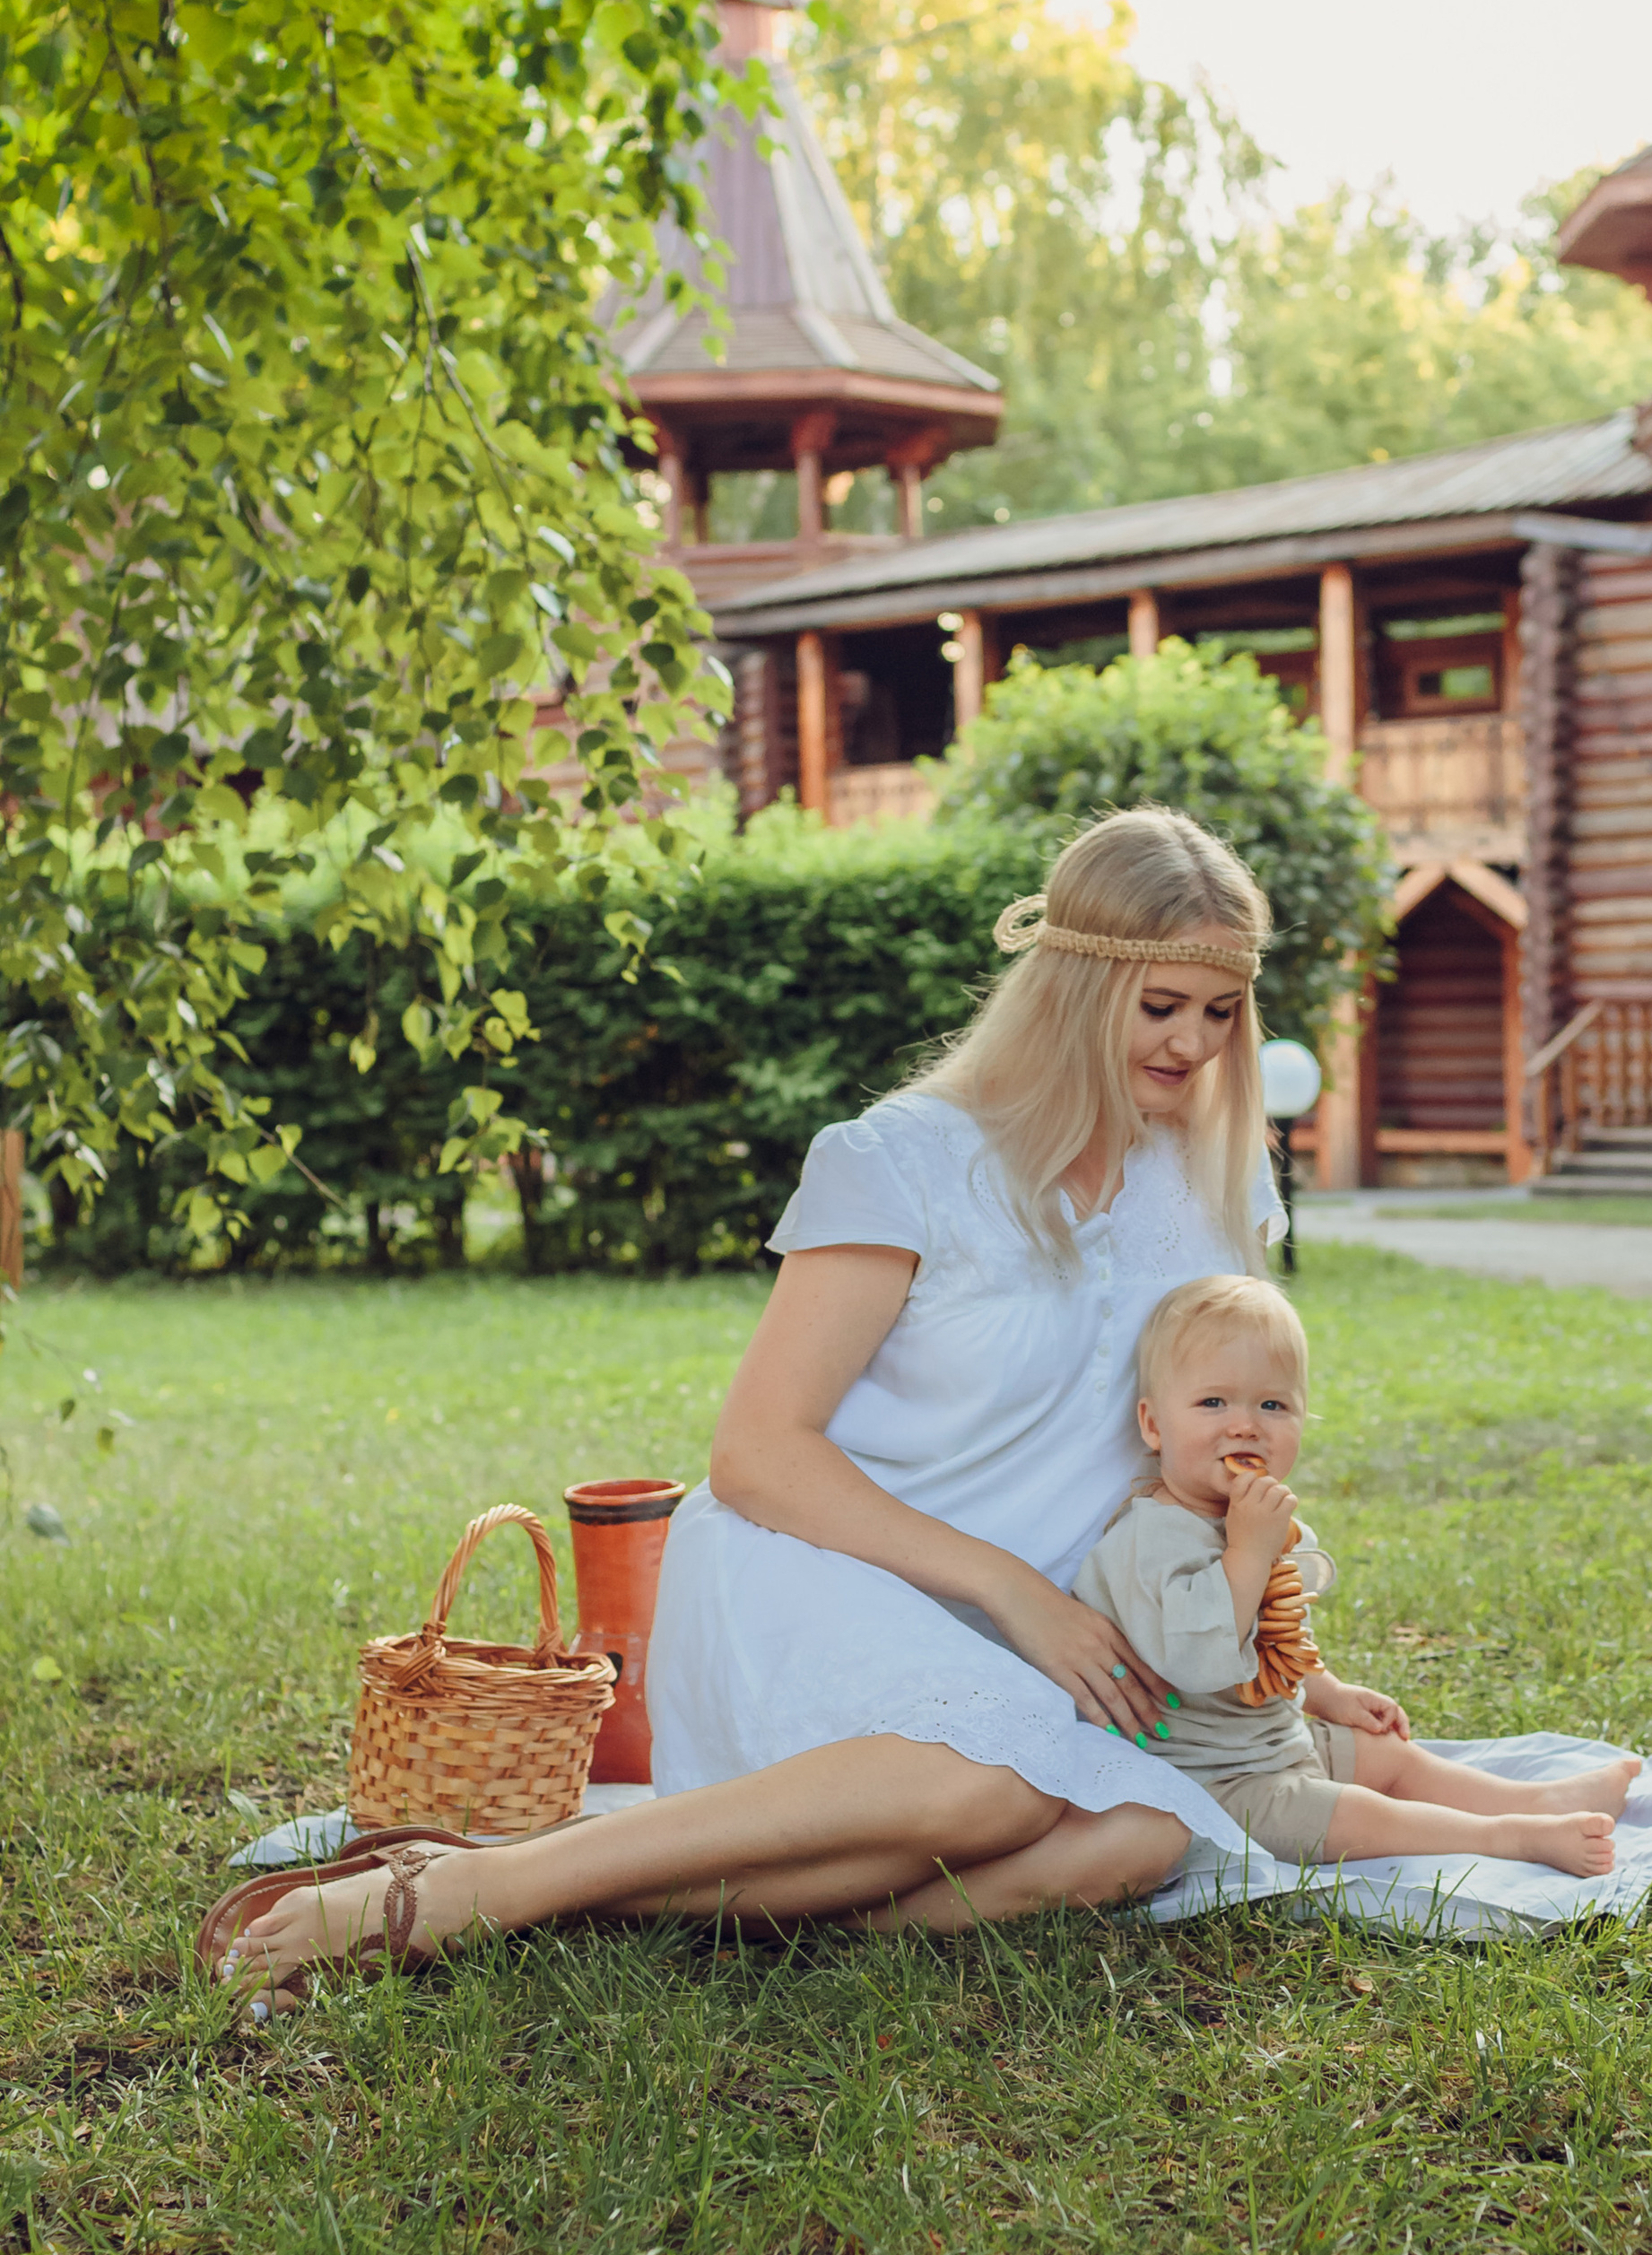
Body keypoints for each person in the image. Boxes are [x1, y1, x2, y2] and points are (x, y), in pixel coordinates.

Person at [203, 809, 1285, 2005]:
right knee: (999, 1788)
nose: (1190, 1044)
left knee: (1139, 1839)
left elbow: (1217, 1433)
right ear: (1075, 988)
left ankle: (561, 1890)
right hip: (825, 1579)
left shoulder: (1211, 1177)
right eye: (1160, 1006)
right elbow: (760, 1452)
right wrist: (1011, 1589)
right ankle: (468, 1898)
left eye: (1217, 1011)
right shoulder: (908, 1159)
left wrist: (1266, 1638)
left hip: (1055, 1643)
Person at [1076, 1273, 1639, 1876]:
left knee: (1388, 1757)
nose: (1244, 1425)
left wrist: (1331, 1693)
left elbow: (1277, 1641)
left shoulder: (1259, 1522)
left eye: (1273, 1405)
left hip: (1276, 1745)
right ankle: (1508, 1837)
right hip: (1207, 1782)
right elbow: (1198, 1659)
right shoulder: (1150, 1540)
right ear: (1154, 1424)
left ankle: (1540, 1800)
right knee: (1357, 1815)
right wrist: (1248, 1553)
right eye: (1213, 1402)